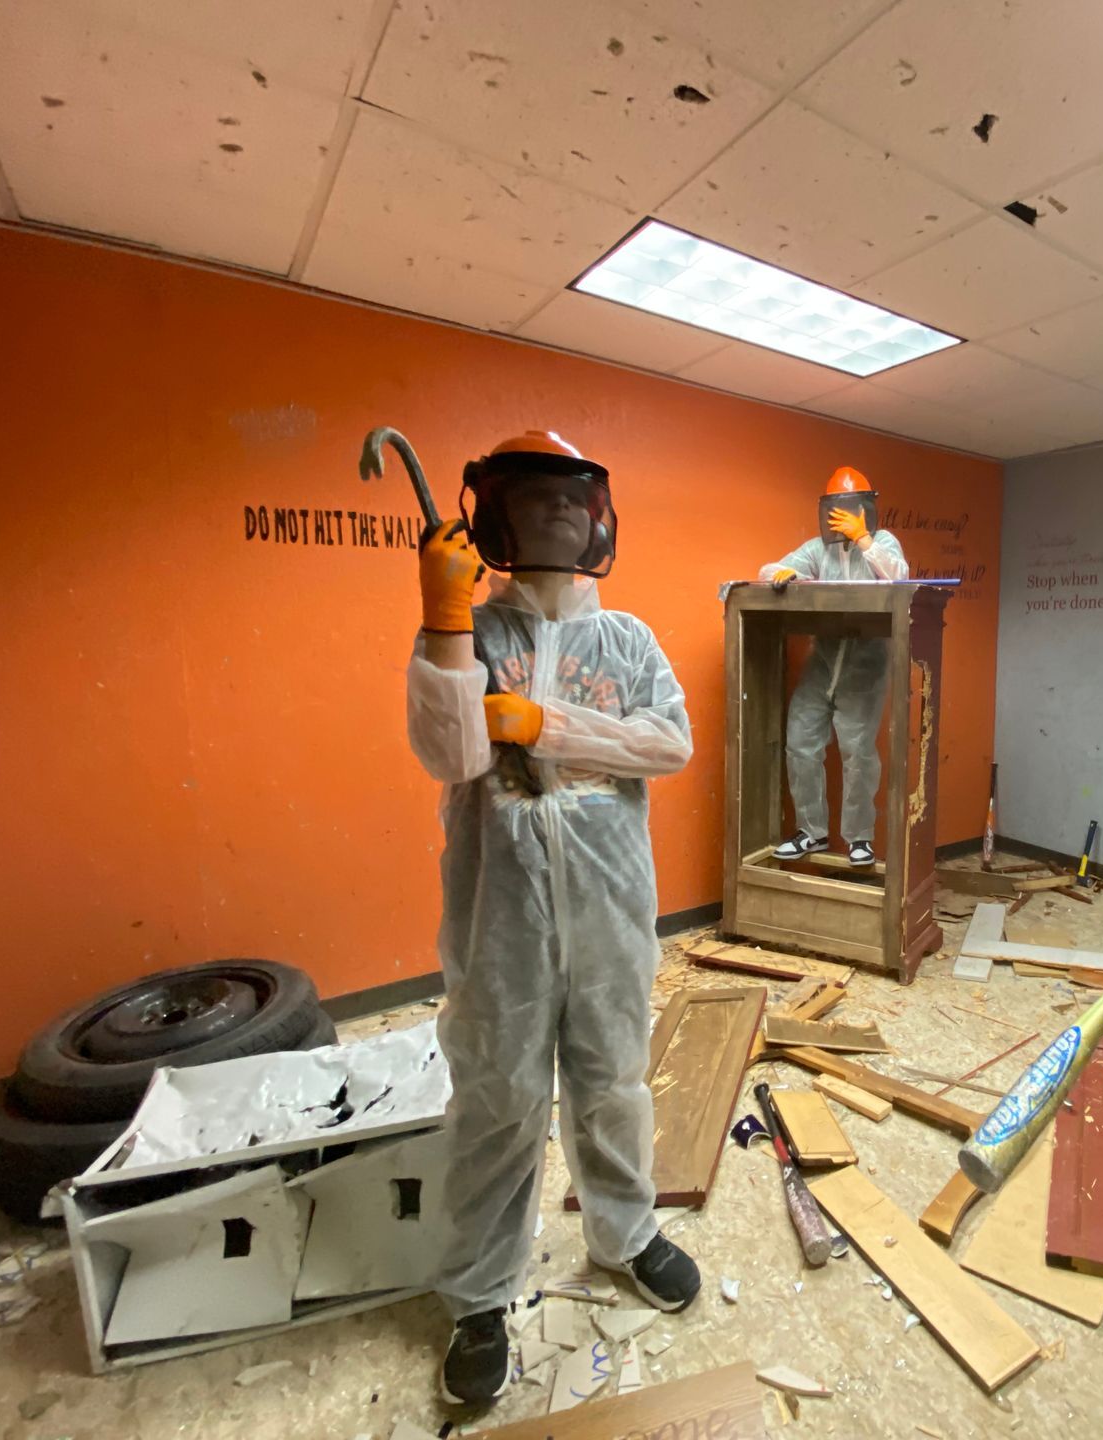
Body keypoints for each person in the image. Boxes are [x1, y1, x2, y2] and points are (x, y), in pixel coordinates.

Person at [406, 431, 700, 1408]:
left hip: (613, 911)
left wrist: (552, 727)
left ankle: (625, 1234)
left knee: (614, 1078)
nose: (566, 515)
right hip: (505, 920)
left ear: (602, 516)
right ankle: (480, 1295)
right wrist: (444, 620)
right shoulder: (470, 636)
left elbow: (669, 744)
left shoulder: (632, 643)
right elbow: (451, 757)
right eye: (541, 501)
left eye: (579, 500)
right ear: (496, 517)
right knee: (499, 1094)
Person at [759, 465, 909, 867]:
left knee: (858, 752)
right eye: (836, 508)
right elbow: (769, 569)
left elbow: (899, 578)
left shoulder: (884, 542)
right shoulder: (816, 550)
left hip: (866, 664)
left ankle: (860, 838)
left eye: (852, 507)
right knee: (801, 741)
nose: (842, 515)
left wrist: (863, 540)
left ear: (866, 508)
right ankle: (812, 832)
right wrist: (784, 573)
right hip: (822, 660)